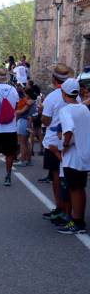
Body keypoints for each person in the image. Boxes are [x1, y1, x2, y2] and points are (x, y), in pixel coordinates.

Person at [40, 64, 76, 221]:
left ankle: (61, 208)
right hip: (73, 142)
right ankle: (68, 211)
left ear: (54, 79)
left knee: (57, 176)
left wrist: (42, 113)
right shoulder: (77, 97)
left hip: (54, 142)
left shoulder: (52, 97)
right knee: (70, 178)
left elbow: (46, 122)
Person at [54, 78, 90, 234]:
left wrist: (64, 146)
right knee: (80, 188)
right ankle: (79, 220)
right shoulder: (83, 108)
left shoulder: (66, 110)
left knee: (75, 189)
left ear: (64, 92)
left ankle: (77, 222)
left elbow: (68, 130)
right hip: (84, 153)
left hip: (73, 155)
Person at [14, 85, 35, 167]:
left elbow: (22, 111)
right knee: (26, 142)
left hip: (23, 121)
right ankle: (28, 160)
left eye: (25, 94)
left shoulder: (29, 101)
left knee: (22, 142)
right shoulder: (32, 101)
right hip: (27, 122)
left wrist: (15, 111)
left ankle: (23, 160)